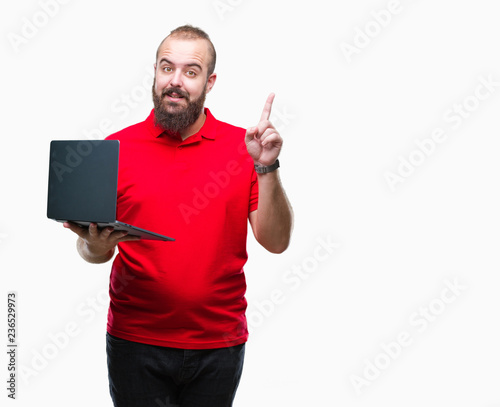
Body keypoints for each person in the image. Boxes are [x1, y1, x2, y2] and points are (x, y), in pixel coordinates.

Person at [64, 24, 293, 407]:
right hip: (135, 341)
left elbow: (277, 242)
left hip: (218, 344)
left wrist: (268, 168)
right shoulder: (115, 148)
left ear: (210, 81)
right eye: (166, 68)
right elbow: (93, 251)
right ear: (154, 72)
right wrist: (92, 244)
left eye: (191, 71)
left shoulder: (245, 148)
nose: (175, 81)